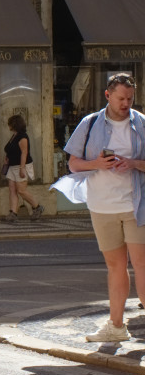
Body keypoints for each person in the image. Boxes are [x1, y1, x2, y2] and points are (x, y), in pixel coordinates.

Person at [64, 71, 145, 344]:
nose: (126, 104)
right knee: (115, 267)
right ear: (108, 96)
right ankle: (116, 326)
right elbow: (74, 164)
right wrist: (97, 164)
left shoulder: (142, 124)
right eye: (121, 98)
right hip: (102, 206)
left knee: (142, 264)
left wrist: (132, 163)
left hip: (136, 204)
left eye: (130, 99)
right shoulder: (90, 124)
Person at [3, 113, 43, 221]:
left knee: (21, 190)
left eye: (10, 123)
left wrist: (22, 168)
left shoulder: (23, 137)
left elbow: (24, 153)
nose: (8, 126)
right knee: (12, 189)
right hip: (12, 166)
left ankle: (37, 207)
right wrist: (7, 158)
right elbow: (11, 149)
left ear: (14, 124)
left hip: (20, 166)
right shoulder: (14, 136)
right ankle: (13, 213)